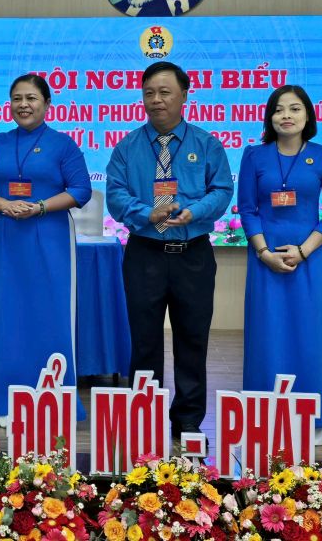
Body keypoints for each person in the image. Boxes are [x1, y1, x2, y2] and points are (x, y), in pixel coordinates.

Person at [106, 61, 233, 439]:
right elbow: (115, 195)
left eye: (165, 92)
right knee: (144, 341)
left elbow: (222, 190)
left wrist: (194, 212)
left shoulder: (207, 144)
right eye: (149, 93)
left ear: (184, 95)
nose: (156, 100)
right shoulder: (127, 147)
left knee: (192, 339)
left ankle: (188, 420)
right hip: (144, 253)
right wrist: (148, 213)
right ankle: (144, 417)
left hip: (192, 254)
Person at [0, 74, 92, 427]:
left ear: (46, 103)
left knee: (49, 314)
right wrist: (3, 204)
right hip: (8, 235)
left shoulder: (63, 145)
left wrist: (39, 207)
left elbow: (80, 190)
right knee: (6, 316)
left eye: (32, 98)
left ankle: (54, 399)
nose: (23, 104)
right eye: (17, 98)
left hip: (49, 234)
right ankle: (8, 402)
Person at [237, 85, 322, 445]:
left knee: (308, 334)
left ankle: (317, 419)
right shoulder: (254, 157)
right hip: (265, 260)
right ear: (269, 118)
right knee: (266, 333)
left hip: (308, 261)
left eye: (295, 109)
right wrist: (265, 253)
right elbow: (248, 210)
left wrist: (303, 251)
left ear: (308, 116)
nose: (286, 115)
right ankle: (262, 416)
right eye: (279, 109)